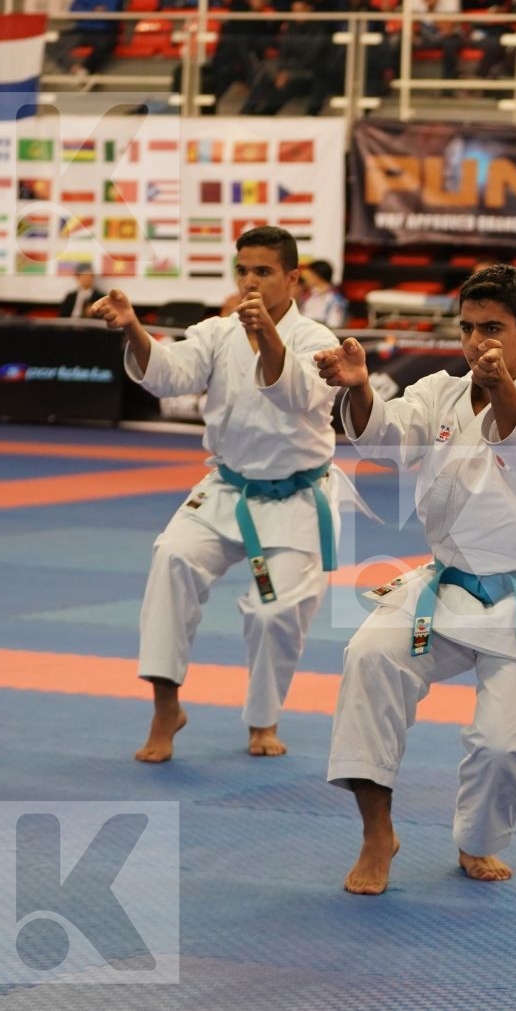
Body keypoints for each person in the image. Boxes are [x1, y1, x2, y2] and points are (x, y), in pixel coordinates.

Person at [314, 263, 516, 895]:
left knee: (506, 745)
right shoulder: (438, 392)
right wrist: (358, 391)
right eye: (467, 329)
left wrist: (504, 389)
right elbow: (387, 440)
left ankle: (477, 842)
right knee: (369, 655)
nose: (477, 341)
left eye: (493, 328)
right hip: (447, 588)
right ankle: (378, 834)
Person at [90, 226, 344, 764]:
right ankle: (166, 706)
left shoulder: (319, 341)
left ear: (292, 278)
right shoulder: (218, 332)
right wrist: (134, 328)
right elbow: (166, 375)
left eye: (263, 272)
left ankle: (263, 718)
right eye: (243, 271)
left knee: (275, 615)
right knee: (171, 558)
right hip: (227, 487)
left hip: (297, 498)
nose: (250, 282)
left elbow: (295, 393)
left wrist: (266, 336)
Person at [51, 0, 126, 78]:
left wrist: (87, 12)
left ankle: (86, 70)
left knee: (108, 43)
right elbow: (74, 9)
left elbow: (110, 10)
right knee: (52, 42)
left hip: (104, 31)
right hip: (83, 30)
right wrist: (92, 10)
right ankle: (75, 69)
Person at [300, 258, 349, 328]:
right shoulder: (308, 297)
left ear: (317, 276)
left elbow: (334, 325)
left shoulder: (335, 300)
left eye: (309, 274)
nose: (306, 278)